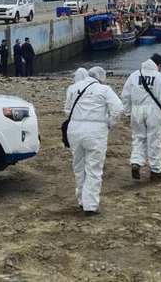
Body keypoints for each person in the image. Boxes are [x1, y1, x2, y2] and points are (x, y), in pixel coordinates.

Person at [64, 67, 122, 216]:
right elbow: (118, 108)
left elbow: (67, 110)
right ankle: (90, 205)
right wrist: (109, 122)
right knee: (94, 168)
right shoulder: (104, 90)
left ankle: (82, 200)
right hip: (95, 130)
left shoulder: (73, 88)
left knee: (79, 166)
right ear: (101, 77)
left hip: (74, 129)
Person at [121, 53, 161, 181]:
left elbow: (125, 96)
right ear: (159, 65)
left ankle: (136, 162)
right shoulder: (159, 77)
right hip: (153, 111)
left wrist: (128, 112)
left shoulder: (134, 75)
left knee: (138, 138)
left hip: (136, 110)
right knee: (154, 140)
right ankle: (155, 170)